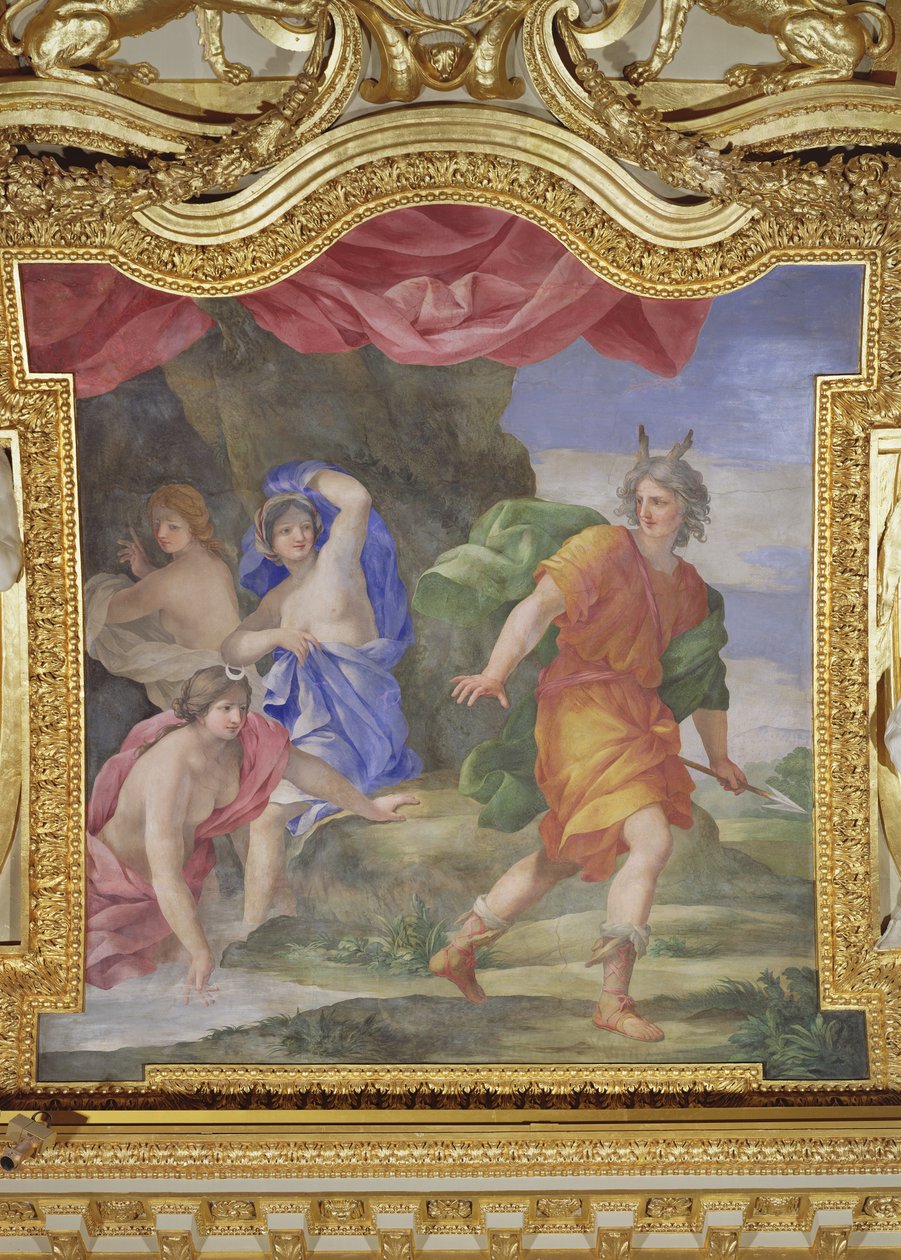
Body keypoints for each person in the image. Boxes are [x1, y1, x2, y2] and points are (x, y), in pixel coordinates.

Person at [431, 427, 747, 1042]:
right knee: (651, 840)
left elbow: (706, 677)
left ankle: (459, 948)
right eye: (640, 499)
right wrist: (497, 671)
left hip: (635, 715)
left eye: (660, 501)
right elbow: (536, 609)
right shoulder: (602, 548)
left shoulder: (691, 589)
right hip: (578, 706)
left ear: (687, 509)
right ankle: (613, 1001)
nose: (646, 511)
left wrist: (721, 757)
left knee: (564, 855)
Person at [85, 665, 419, 999]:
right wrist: (200, 950)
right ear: (200, 711)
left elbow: (307, 771)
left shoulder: (244, 740)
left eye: (242, 707)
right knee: (140, 987)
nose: (237, 718)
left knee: (193, 985)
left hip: (173, 893)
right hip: (118, 892)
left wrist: (369, 807)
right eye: (225, 708)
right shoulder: (170, 769)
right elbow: (165, 875)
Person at [222, 461, 422, 926]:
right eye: (285, 530)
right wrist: (276, 636)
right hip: (312, 727)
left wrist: (295, 476)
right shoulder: (278, 600)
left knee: (267, 815)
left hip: (359, 721)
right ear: (270, 544)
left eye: (305, 526)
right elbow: (231, 646)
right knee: (253, 807)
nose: (299, 536)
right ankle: (267, 924)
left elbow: (357, 500)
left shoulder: (338, 561)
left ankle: (253, 932)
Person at [85, 483, 263, 710]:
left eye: (173, 526)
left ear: (193, 528)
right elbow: (184, 599)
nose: (161, 533)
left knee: (98, 596)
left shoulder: (166, 581)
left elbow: (104, 612)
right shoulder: (215, 564)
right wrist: (147, 572)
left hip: (213, 694)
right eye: (156, 523)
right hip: (245, 685)